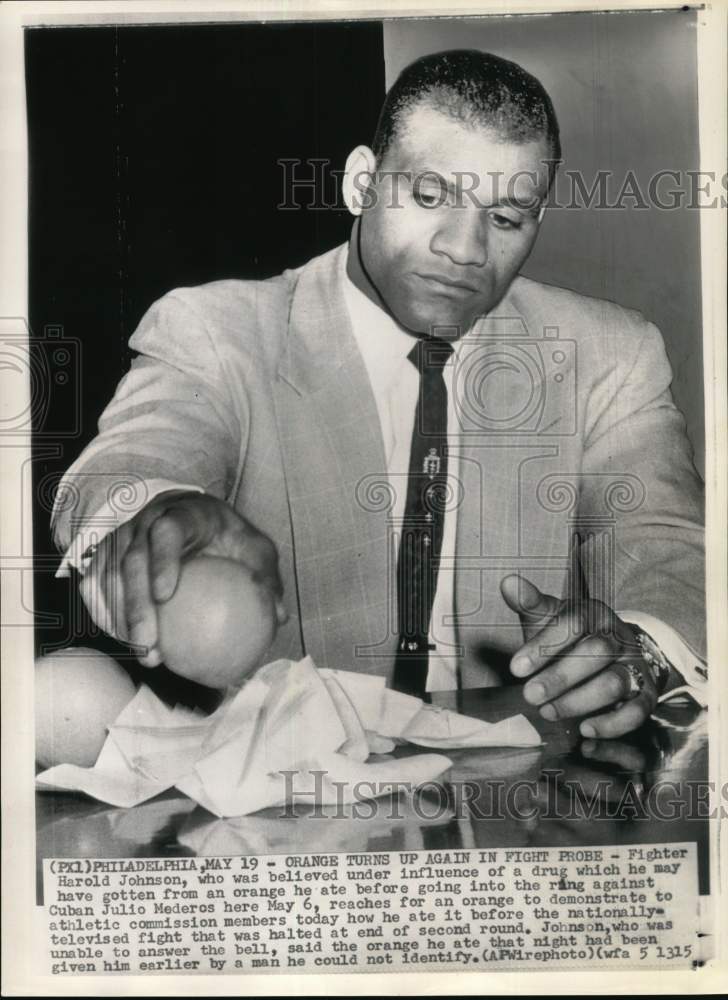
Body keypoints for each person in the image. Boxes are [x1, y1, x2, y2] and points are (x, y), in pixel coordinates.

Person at [52, 49, 707, 738]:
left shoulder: (611, 353)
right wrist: (160, 511)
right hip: (286, 798)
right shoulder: (219, 332)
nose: (465, 248)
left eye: (507, 219)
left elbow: (665, 541)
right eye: (429, 197)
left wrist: (645, 648)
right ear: (362, 182)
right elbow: (125, 463)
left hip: (527, 799)